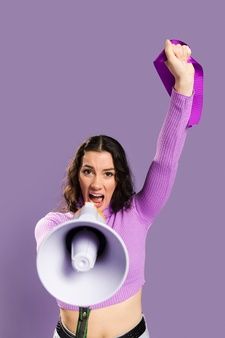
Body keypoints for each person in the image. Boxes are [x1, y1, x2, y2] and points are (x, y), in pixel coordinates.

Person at [35, 39, 195, 338]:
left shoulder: (137, 213)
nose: (97, 182)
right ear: (76, 176)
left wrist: (183, 87)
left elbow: (166, 161)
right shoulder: (53, 225)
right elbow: (47, 250)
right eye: (88, 171)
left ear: (118, 178)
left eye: (108, 173)